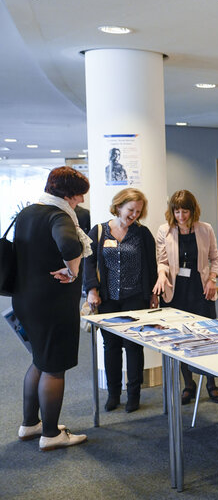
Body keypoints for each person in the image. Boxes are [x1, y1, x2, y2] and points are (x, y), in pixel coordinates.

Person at [13, 166, 90, 450]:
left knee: (40, 360)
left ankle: (29, 424)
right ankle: (50, 434)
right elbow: (70, 245)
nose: (80, 201)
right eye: (78, 194)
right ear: (67, 193)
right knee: (54, 367)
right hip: (52, 303)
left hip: (25, 299)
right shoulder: (58, 215)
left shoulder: (28, 212)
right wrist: (72, 270)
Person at [83, 188, 158, 413]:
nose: (134, 214)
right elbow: (88, 262)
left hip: (135, 298)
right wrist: (91, 289)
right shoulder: (98, 231)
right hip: (107, 299)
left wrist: (154, 295)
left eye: (138, 211)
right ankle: (113, 394)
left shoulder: (142, 234)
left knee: (133, 347)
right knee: (111, 346)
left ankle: (133, 394)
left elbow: (151, 266)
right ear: (118, 207)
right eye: (130, 209)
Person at [153, 190, 218, 404]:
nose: (181, 216)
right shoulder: (164, 231)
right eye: (177, 211)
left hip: (200, 288)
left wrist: (212, 278)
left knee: (207, 336)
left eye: (185, 211)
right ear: (172, 212)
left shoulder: (205, 229)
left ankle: (211, 383)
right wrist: (161, 275)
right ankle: (189, 384)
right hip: (176, 291)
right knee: (182, 338)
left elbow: (215, 257)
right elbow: (162, 261)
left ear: (193, 211)